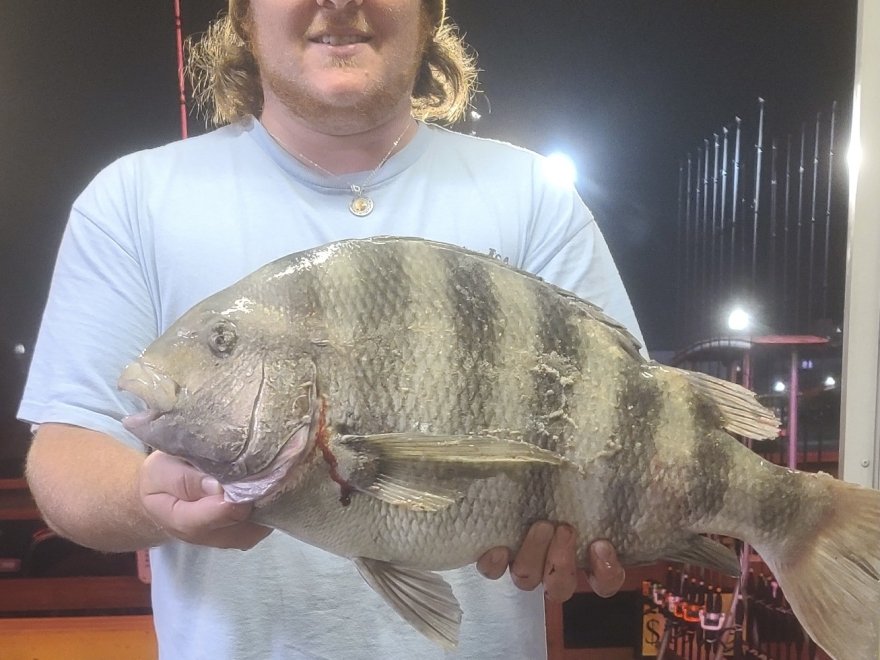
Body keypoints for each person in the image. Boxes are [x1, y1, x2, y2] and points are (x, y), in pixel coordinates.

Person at [19, 1, 644, 658]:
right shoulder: (132, 200)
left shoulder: (534, 195)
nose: (341, 1)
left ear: (429, 12)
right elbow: (66, 456)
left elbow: (630, 432)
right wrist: (145, 501)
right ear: (244, 15)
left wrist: (602, 527)